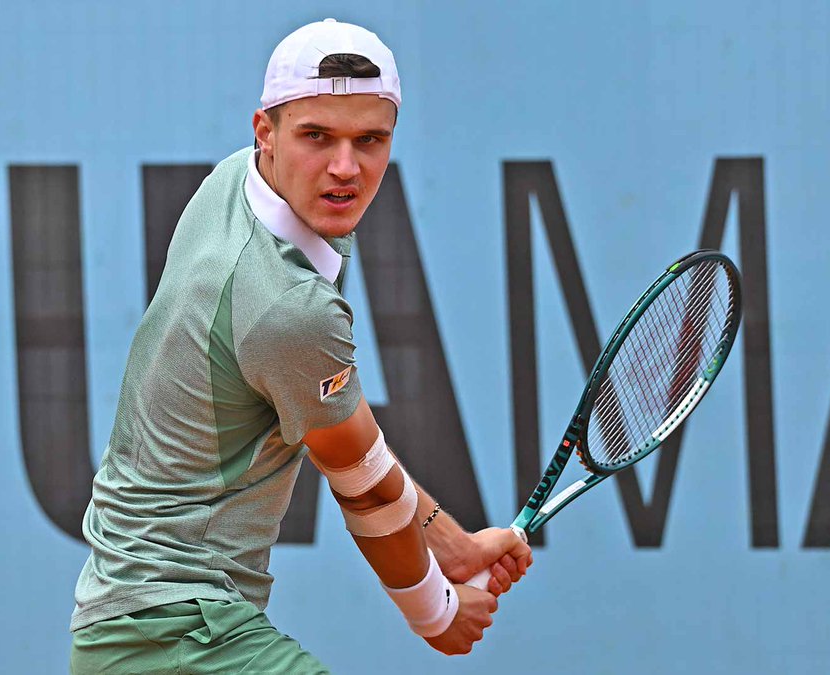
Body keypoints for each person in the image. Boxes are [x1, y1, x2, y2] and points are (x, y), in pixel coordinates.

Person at [69, 18, 533, 674]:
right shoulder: (288, 308)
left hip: (143, 626)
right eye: (318, 137)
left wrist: (452, 547)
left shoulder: (237, 181)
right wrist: (438, 610)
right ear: (268, 131)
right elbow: (365, 487)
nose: (346, 168)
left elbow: (360, 447)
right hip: (178, 635)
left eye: (370, 140)